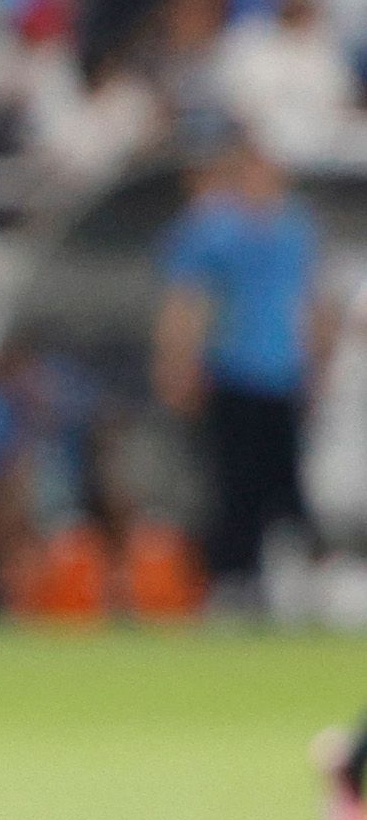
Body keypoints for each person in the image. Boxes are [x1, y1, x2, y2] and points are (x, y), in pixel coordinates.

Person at [152, 132, 322, 593]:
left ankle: (281, 579)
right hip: (232, 373)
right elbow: (186, 302)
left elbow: (306, 303)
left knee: (283, 483)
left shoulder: (295, 227)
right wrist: (176, 365)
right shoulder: (212, 229)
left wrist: (314, 368)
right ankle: (230, 578)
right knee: (233, 484)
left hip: (281, 373)